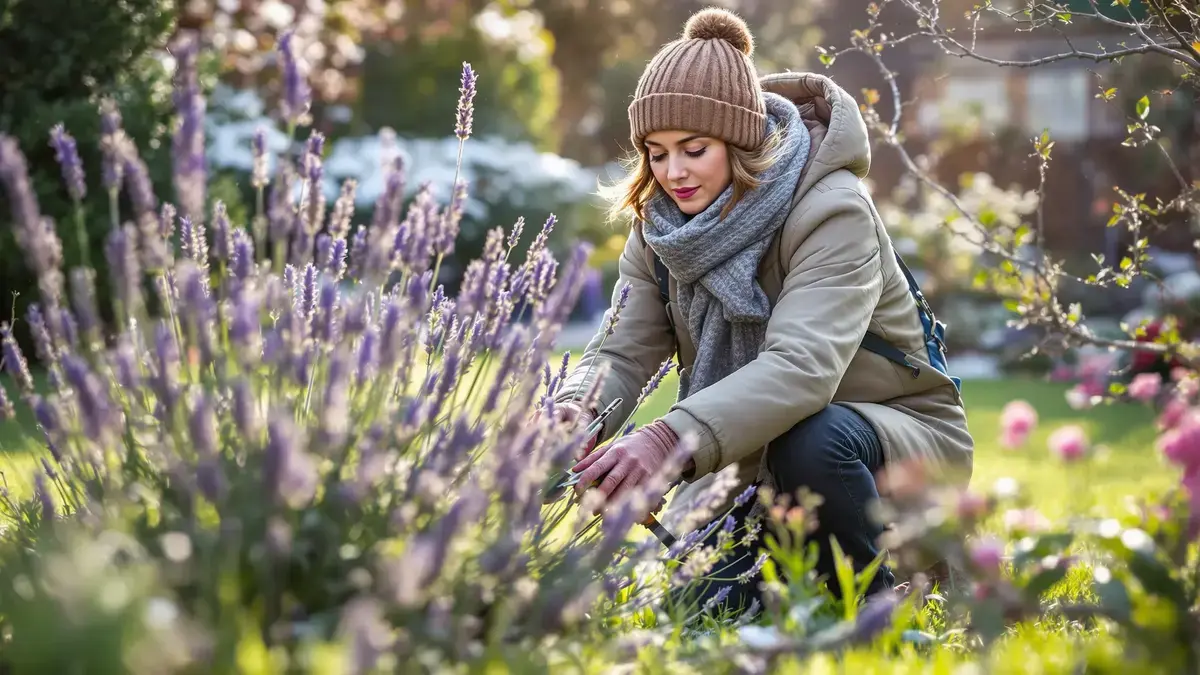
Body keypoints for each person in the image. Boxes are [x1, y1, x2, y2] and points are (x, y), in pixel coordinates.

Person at [551, 7, 974, 613]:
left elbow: (802, 368)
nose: (673, 173)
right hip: (750, 460)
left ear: (739, 140)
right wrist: (575, 416)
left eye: (694, 149)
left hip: (891, 442)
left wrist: (666, 442)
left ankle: (893, 599)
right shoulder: (661, 229)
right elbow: (623, 350)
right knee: (697, 609)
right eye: (656, 151)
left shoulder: (832, 212)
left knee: (814, 440)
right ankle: (791, 582)